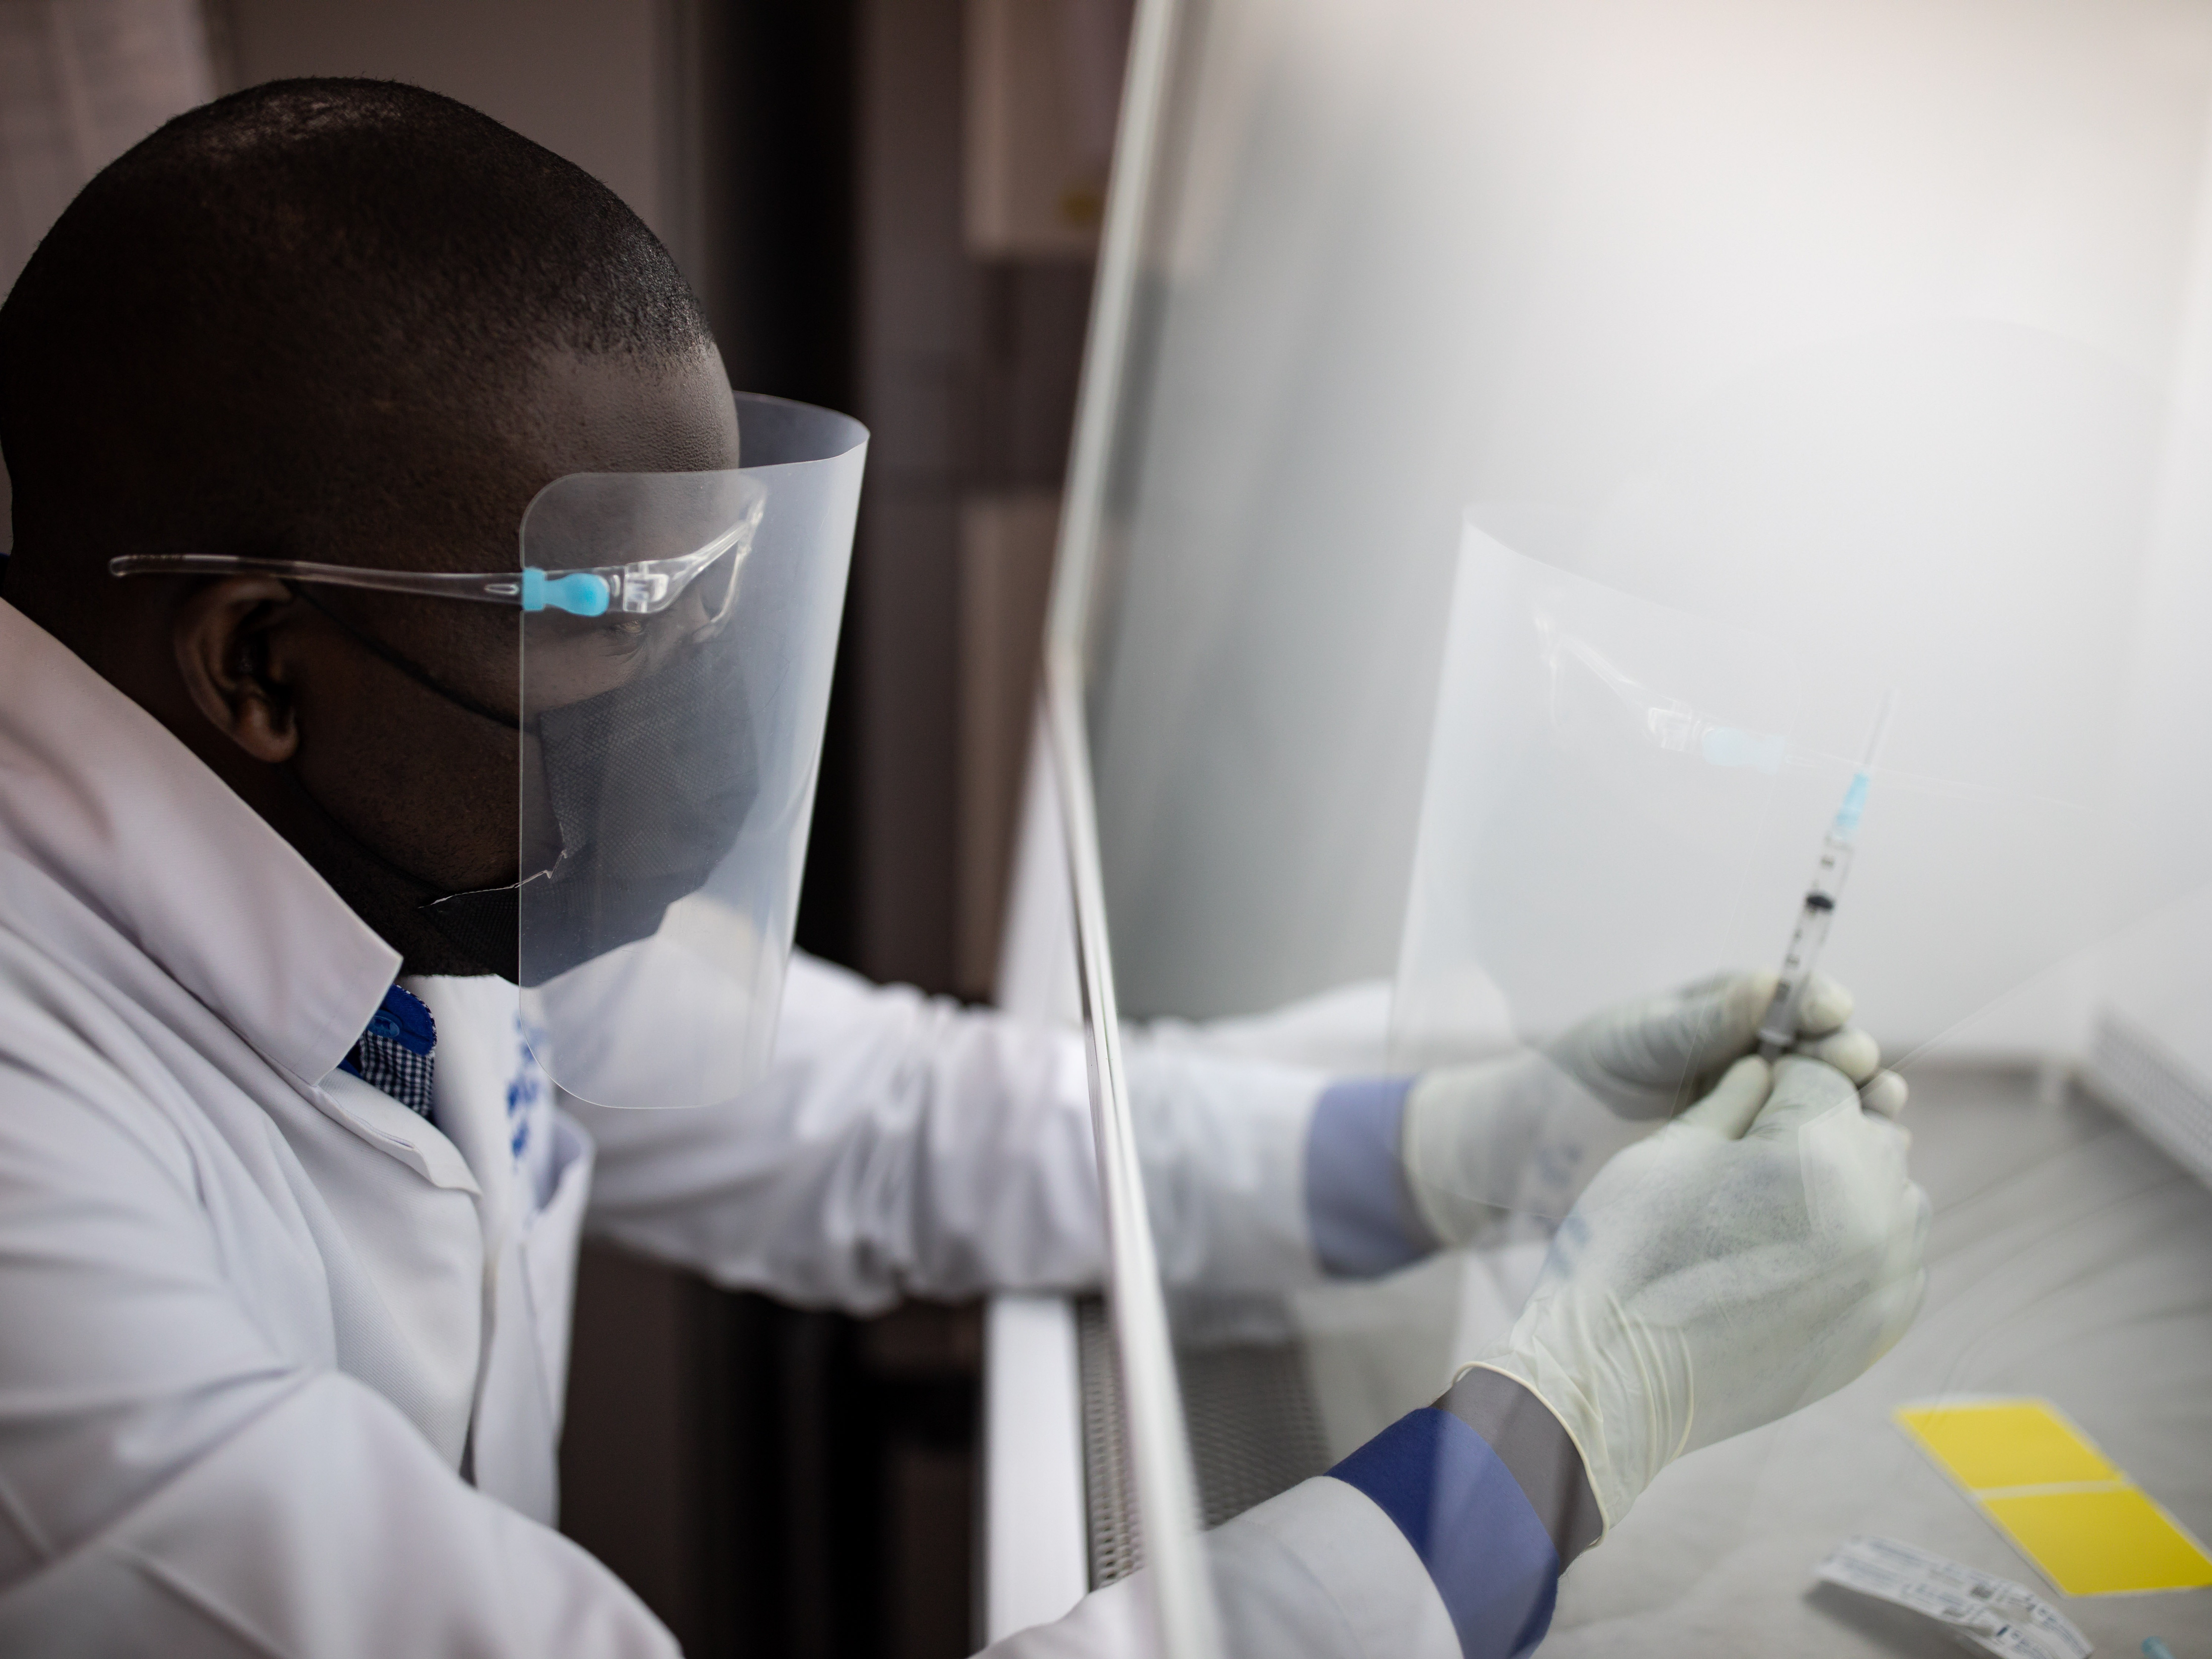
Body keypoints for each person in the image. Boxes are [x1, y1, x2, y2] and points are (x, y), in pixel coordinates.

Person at [0, 80, 1929, 1658]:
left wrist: (1463, 1141)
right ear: (257, 662)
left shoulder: (391, 851)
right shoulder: (40, 1214)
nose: (693, 692)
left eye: (716, 586)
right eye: (616, 601)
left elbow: (885, 1118)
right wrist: (1565, 1426)